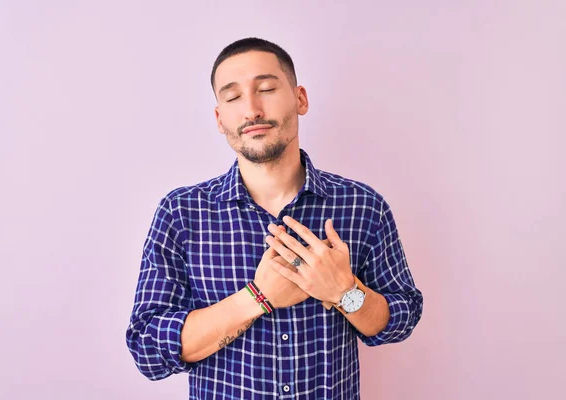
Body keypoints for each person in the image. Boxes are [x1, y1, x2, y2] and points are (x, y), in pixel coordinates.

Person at [125, 37, 423, 399]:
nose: (251, 109)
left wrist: (346, 293)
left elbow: (400, 320)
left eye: (265, 88)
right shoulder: (181, 213)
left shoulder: (362, 206)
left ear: (300, 99)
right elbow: (148, 349)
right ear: (220, 119)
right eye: (233, 97)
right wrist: (258, 297)